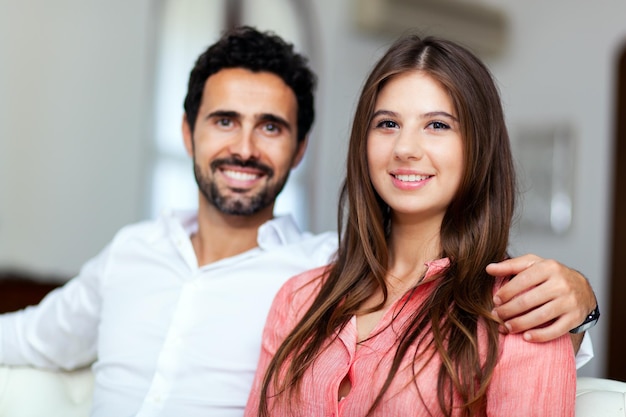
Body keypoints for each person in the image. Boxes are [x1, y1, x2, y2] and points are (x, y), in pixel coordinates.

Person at [0, 26, 594, 416]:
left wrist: (580, 303)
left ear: (300, 148)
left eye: (271, 127)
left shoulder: (311, 267)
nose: (245, 147)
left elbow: (520, 333)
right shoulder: (144, 256)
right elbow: (29, 337)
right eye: (224, 120)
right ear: (187, 133)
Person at [245, 34, 577, 417]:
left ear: (479, 146)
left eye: (437, 125)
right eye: (387, 123)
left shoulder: (520, 310)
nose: (405, 148)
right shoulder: (298, 300)